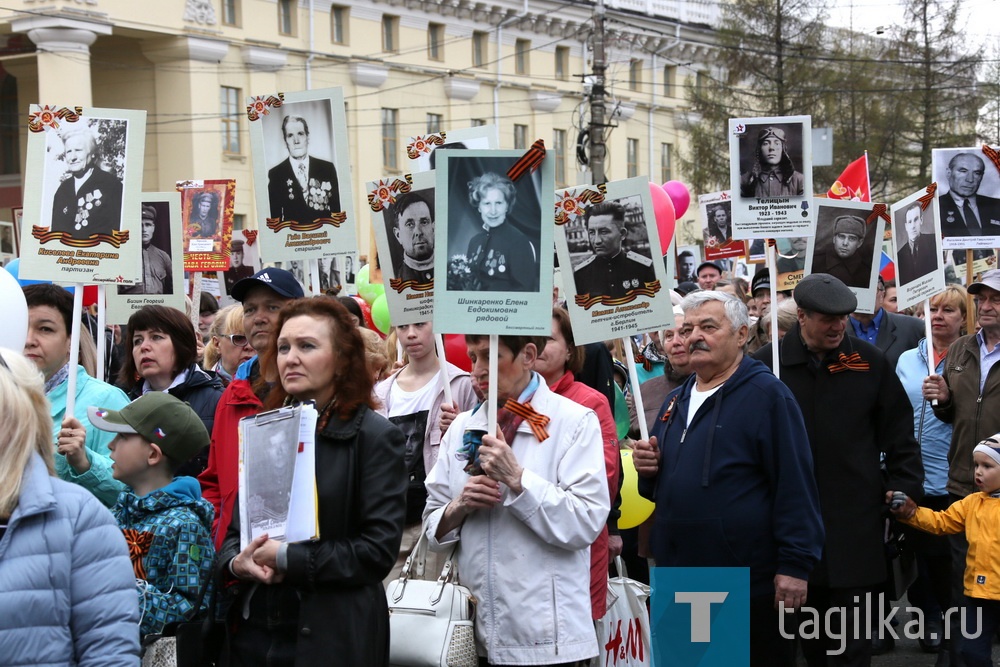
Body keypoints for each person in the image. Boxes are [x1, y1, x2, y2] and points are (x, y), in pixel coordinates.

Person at [632, 291, 824, 666]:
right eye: (688, 329)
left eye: (708, 326)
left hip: (743, 578)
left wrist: (795, 565)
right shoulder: (678, 399)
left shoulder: (768, 396)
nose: (693, 337)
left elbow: (795, 484)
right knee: (691, 662)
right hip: (683, 573)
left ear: (740, 335)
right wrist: (650, 470)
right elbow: (670, 484)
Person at [221, 298, 407, 666]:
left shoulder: (374, 436)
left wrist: (287, 557)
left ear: (341, 359)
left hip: (332, 636)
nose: (291, 357)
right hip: (256, 632)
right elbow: (235, 534)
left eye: (307, 346)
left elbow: (376, 552)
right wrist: (235, 563)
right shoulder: (266, 429)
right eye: (284, 347)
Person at [753, 273, 924, 665]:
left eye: (844, 317)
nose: (838, 326)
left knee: (850, 649)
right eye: (827, 318)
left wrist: (906, 488)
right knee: (801, 647)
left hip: (854, 529)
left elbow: (899, 438)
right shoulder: (767, 366)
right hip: (788, 533)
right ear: (802, 316)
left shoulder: (868, 362)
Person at [424, 334, 610, 665]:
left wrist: (518, 480)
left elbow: (584, 523)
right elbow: (432, 528)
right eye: (472, 358)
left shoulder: (574, 421)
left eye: (489, 357)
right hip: (472, 636)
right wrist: (458, 508)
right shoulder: (463, 428)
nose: (477, 371)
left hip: (548, 641)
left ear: (527, 355)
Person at [0, 348, 140, 665]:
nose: (116, 447)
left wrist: (84, 461)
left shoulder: (80, 518)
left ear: (18, 417)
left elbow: (109, 651)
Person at [89, 392, 216, 639]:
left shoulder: (184, 525)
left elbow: (193, 609)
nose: (110, 445)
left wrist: (119, 593)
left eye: (123, 436)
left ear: (153, 455)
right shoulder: (115, 515)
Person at [198, 267, 304, 549]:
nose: (259, 318)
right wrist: (222, 544)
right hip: (241, 562)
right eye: (250, 309)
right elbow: (215, 483)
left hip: (304, 561)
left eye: (272, 307)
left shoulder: (318, 391)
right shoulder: (232, 395)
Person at [925, 269, 1000, 664]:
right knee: (962, 581)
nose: (986, 307)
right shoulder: (960, 350)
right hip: (965, 485)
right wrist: (941, 399)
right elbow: (952, 416)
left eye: (996, 300)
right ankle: (959, 656)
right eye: (981, 299)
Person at [533, 307, 621, 620]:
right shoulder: (509, 402)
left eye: (549, 339)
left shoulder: (588, 402)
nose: (537, 346)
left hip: (575, 547)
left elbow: (605, 479)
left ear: (570, 349)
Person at [894, 284, 967, 656]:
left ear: (963, 318)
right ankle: (929, 620)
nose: (938, 316)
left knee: (945, 561)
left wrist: (947, 397)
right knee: (916, 557)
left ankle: (955, 629)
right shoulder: (906, 358)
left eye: (948, 310)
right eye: (932, 309)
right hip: (910, 475)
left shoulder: (968, 360)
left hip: (950, 477)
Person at [374, 321, 477, 580]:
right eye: (402, 326)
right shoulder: (381, 391)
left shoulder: (460, 385)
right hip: (390, 520)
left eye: (420, 324)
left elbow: (477, 454)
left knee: (429, 610)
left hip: (435, 522)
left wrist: (459, 428)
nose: (411, 334)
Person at [888, 432, 1000, 667]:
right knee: (971, 652)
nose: (978, 471)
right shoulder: (972, 503)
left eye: (987, 466)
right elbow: (942, 521)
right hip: (976, 593)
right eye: (976, 465)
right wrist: (912, 513)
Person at [22, 284, 129, 507]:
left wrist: (84, 461)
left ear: (71, 340)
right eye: (22, 326)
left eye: (45, 329)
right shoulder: (7, 398)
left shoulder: (107, 400)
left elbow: (132, 490)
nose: (29, 339)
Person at [119, 305, 224, 477]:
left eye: (156, 337)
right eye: (137, 340)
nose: (144, 346)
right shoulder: (128, 402)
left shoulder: (216, 400)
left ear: (181, 344)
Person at [461, 171, 539, 292]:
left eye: (498, 203)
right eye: (487, 203)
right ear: (479, 207)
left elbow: (525, 292)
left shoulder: (518, 241)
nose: (493, 211)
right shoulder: (474, 242)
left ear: (507, 206)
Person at [573, 200, 656, 300]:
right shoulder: (580, 275)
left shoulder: (644, 269)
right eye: (591, 232)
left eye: (604, 232)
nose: (597, 240)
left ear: (622, 234)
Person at [267, 115, 341, 225]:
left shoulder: (327, 169)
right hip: (294, 239)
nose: (296, 141)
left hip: (324, 237)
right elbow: (274, 222)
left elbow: (337, 214)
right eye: (290, 135)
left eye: (300, 134)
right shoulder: (276, 174)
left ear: (307, 137)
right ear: (285, 141)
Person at [50, 127, 123, 238]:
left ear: (92, 153)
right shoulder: (62, 191)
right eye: (69, 151)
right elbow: (56, 232)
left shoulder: (111, 185)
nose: (73, 157)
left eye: (78, 150)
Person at [849, 275, 925, 368]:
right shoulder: (833, 330)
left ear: (882, 294)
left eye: (872, 289)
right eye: (858, 291)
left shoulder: (914, 328)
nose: (865, 296)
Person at [939, 152, 1000, 239]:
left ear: (981, 177)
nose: (970, 179)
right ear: (949, 173)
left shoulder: (996, 206)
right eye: (963, 171)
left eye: (977, 173)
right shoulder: (936, 207)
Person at [120, 204, 172, 295]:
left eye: (148, 225)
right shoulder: (123, 255)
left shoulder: (163, 256)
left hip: (156, 307)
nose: (144, 229)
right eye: (140, 225)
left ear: (153, 228)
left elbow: (174, 288)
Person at [739, 126, 805, 198]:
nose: (771, 148)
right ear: (759, 149)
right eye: (766, 143)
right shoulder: (744, 181)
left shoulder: (799, 180)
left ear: (783, 149)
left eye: (776, 143)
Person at [202, 304, 255, 386]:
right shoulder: (203, 389)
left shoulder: (278, 387)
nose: (249, 346)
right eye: (239, 338)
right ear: (217, 344)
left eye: (256, 338)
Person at [812, 215, 870, 288]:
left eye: (852, 238)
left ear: (859, 243)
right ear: (834, 238)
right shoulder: (814, 263)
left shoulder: (867, 273)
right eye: (841, 237)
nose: (845, 243)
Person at [390, 191, 435, 285]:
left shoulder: (451, 270)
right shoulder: (394, 278)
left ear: (433, 228)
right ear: (398, 235)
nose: (418, 232)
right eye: (410, 224)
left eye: (424, 222)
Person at [896, 203, 938, 284]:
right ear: (906, 226)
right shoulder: (899, 255)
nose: (912, 226)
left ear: (921, 220)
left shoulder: (934, 241)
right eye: (909, 222)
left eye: (915, 220)